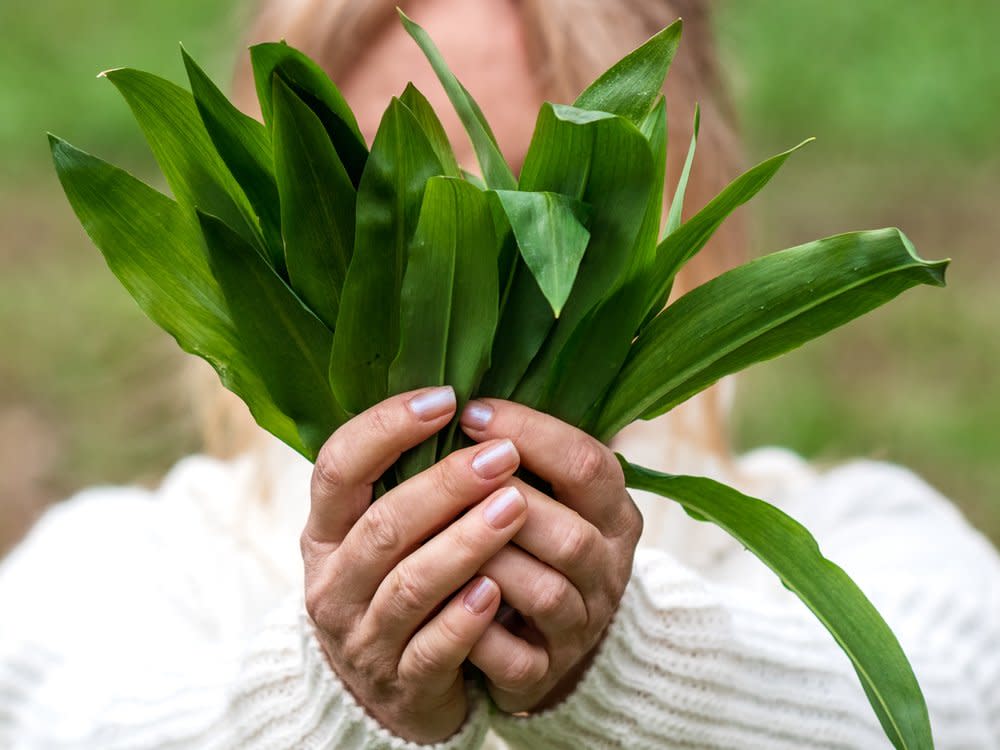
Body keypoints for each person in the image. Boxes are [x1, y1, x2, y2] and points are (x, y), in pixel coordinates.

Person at [2, 0, 998, 747]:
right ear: (273, 231)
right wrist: (330, 697)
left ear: (687, 231)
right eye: (397, 205)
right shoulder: (129, 568)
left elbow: (955, 697)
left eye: (544, 200)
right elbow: (54, 714)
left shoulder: (867, 540)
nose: (466, 276)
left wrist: (627, 666)